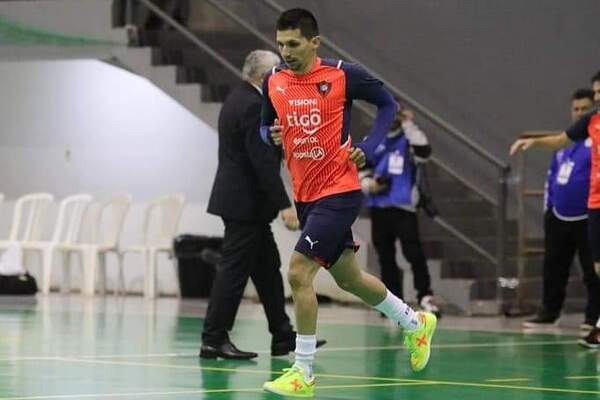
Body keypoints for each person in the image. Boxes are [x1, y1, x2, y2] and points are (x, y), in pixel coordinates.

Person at [259, 9, 437, 397]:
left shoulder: (342, 74)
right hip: (304, 194)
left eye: (293, 43)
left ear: (314, 42)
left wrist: (367, 148)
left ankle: (302, 371)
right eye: (280, 43)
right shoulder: (274, 80)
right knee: (349, 278)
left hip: (338, 191)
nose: (285, 51)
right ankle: (415, 323)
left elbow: (388, 105)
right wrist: (269, 134)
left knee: (298, 272)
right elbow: (264, 125)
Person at [200, 50, 325, 360]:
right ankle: (213, 339)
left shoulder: (241, 98)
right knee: (233, 274)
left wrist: (275, 142)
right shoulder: (253, 105)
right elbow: (261, 164)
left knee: (268, 270)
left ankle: (282, 335)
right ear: (262, 76)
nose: (282, 77)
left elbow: (259, 151)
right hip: (244, 205)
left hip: (246, 206)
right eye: (276, 72)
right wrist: (285, 205)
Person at [510, 70, 600, 348]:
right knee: (598, 268)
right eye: (595, 92)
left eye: (599, 92)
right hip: (595, 203)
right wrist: (535, 142)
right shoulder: (592, 120)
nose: (597, 97)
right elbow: (561, 139)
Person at [360, 105, 441, 317]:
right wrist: (369, 184)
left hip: (404, 206)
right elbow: (359, 169)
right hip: (379, 206)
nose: (392, 117)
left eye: (397, 113)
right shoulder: (374, 139)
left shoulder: (409, 138)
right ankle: (393, 302)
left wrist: (409, 123)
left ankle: (425, 295)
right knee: (385, 256)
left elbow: (425, 151)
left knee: (413, 252)